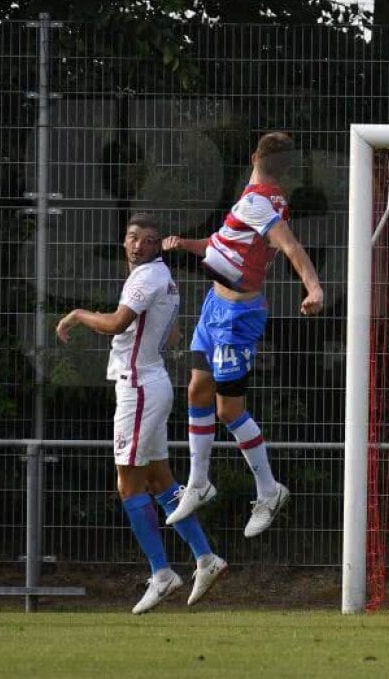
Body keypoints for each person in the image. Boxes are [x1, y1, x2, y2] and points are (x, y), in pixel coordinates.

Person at [56, 213, 228, 614]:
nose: (138, 245)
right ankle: (206, 558)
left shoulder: (148, 277)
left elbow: (118, 324)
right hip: (150, 383)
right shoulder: (160, 277)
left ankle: (162, 572)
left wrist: (78, 315)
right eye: (133, 238)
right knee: (158, 479)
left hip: (138, 388)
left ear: (156, 247)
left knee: (128, 485)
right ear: (124, 241)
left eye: (149, 240)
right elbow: (170, 333)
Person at [163, 131, 324, 538]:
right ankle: (199, 482)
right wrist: (188, 244)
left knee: (229, 410)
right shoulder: (258, 199)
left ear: (255, 156)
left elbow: (291, 247)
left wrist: (314, 287)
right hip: (214, 308)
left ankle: (269, 491)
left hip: (236, 316)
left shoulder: (259, 202)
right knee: (197, 390)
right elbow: (225, 245)